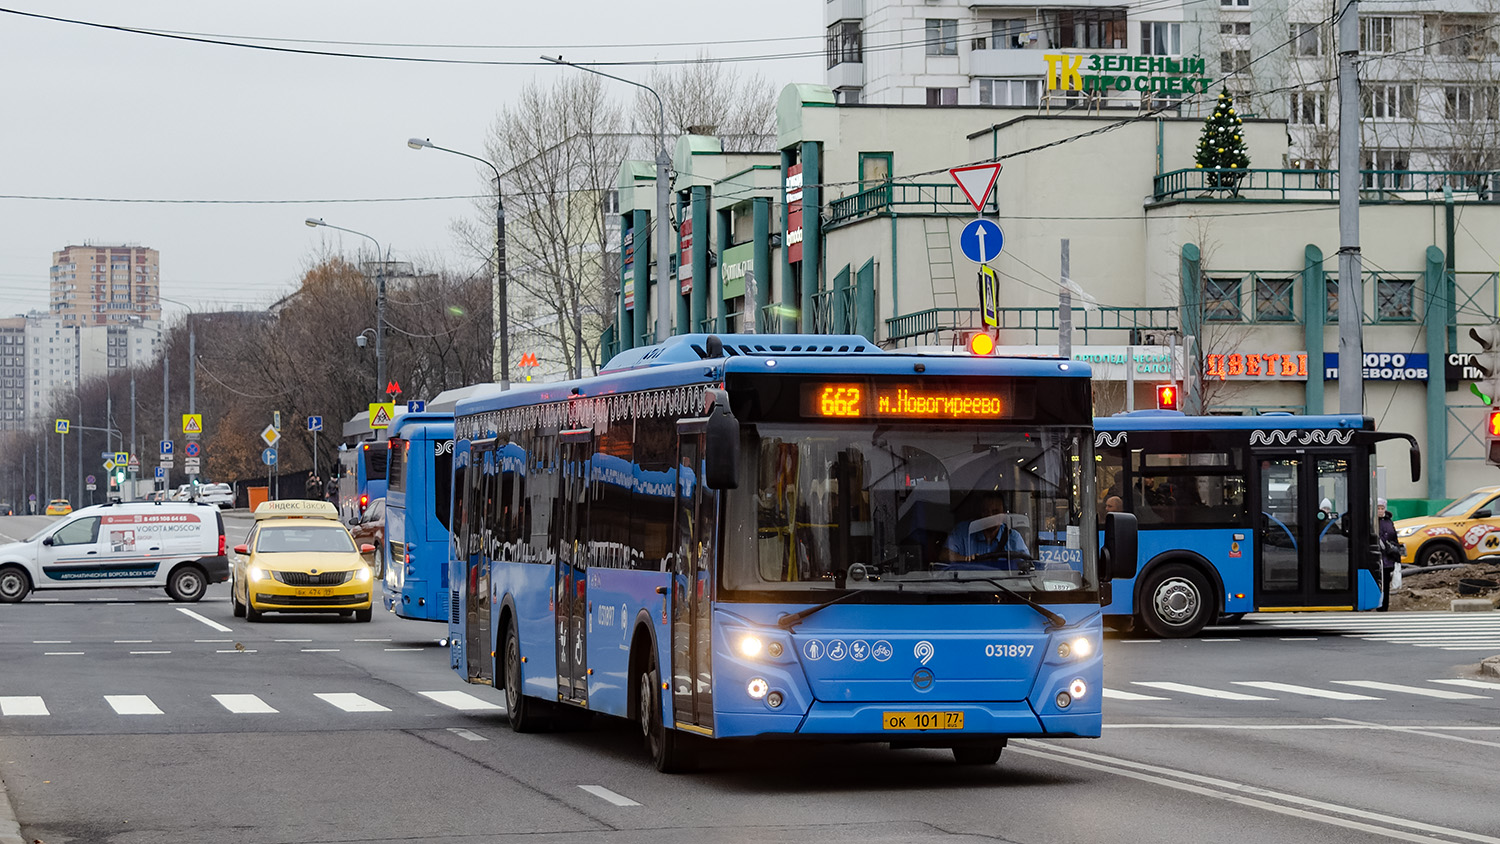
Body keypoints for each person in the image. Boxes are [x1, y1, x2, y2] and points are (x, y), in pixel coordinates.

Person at [943, 492, 1029, 566]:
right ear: (980, 512)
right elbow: (944, 555)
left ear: (1003, 514)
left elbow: (1027, 564)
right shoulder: (963, 531)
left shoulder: (1013, 538)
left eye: (995, 512)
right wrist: (966, 559)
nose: (990, 516)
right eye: (986, 511)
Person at [1378, 498, 1401, 611]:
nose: (1380, 511)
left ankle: (1384, 605)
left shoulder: (1388, 521)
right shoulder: (1372, 521)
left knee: (1386, 582)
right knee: (1379, 582)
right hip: (1378, 557)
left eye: (1382, 508)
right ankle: (1377, 603)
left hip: (1388, 557)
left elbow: (1394, 538)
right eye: (1378, 508)